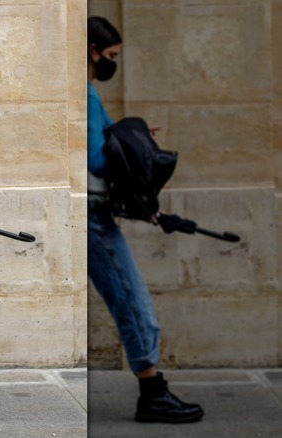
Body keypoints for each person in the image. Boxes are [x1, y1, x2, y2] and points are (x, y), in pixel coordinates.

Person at [86, 16, 204, 423]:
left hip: (99, 213)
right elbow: (98, 159)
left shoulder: (88, 95)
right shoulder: (83, 96)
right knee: (132, 301)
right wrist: (129, 144)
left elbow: (105, 146)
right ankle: (152, 394)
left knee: (131, 300)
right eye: (111, 55)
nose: (112, 63)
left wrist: (128, 139)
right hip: (93, 217)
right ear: (92, 50)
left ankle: (152, 390)